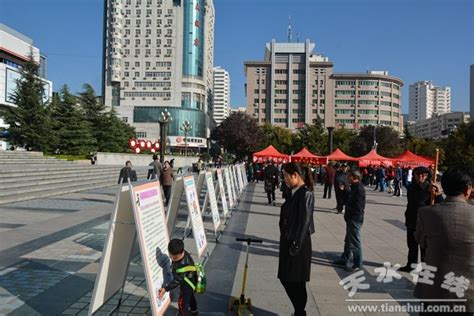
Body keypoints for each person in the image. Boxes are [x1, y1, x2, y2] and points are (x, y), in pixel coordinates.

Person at [414, 167, 473, 314]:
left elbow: (421, 241)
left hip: (433, 290)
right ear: (467, 189)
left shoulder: (426, 212)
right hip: (467, 293)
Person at [278, 163, 315, 316]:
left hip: (298, 244)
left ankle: (300, 311)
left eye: (286, 176)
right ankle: (299, 310)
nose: (284, 180)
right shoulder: (296, 192)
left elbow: (305, 222)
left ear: (295, 175)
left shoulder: (306, 194)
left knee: (295, 281)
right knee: (289, 279)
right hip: (290, 241)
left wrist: (296, 246)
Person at [399, 166, 444, 272]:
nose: (421, 178)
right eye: (418, 175)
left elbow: (441, 203)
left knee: (424, 248)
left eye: (423, 175)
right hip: (412, 220)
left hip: (425, 222)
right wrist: (426, 191)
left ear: (427, 176)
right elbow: (417, 200)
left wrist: (437, 194)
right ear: (414, 176)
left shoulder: (431, 188)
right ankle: (411, 265)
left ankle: (425, 269)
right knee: (412, 246)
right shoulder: (411, 187)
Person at [333, 169, 366, 272]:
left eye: (349, 176)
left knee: (355, 241)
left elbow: (359, 206)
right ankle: (345, 258)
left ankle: (358, 263)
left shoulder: (359, 189)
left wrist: (352, 216)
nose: (347, 178)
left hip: (355, 218)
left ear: (354, 177)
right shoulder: (353, 188)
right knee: (348, 240)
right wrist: (344, 191)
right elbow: (348, 199)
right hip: (351, 218)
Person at [158, 239, 199, 316]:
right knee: (190, 297)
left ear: (181, 252)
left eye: (175, 258)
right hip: (191, 281)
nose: (173, 259)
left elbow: (177, 281)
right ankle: (194, 311)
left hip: (186, 285)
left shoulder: (182, 266)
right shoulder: (183, 252)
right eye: (171, 257)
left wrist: (165, 289)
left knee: (182, 304)